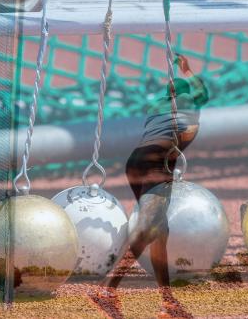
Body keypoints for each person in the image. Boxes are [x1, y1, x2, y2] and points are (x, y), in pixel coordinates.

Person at [88, 54, 208, 319]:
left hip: (136, 163)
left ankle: (168, 302)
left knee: (159, 231)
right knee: (148, 229)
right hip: (156, 165)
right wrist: (187, 70)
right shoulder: (187, 102)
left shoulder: (157, 105)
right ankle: (106, 290)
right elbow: (202, 92)